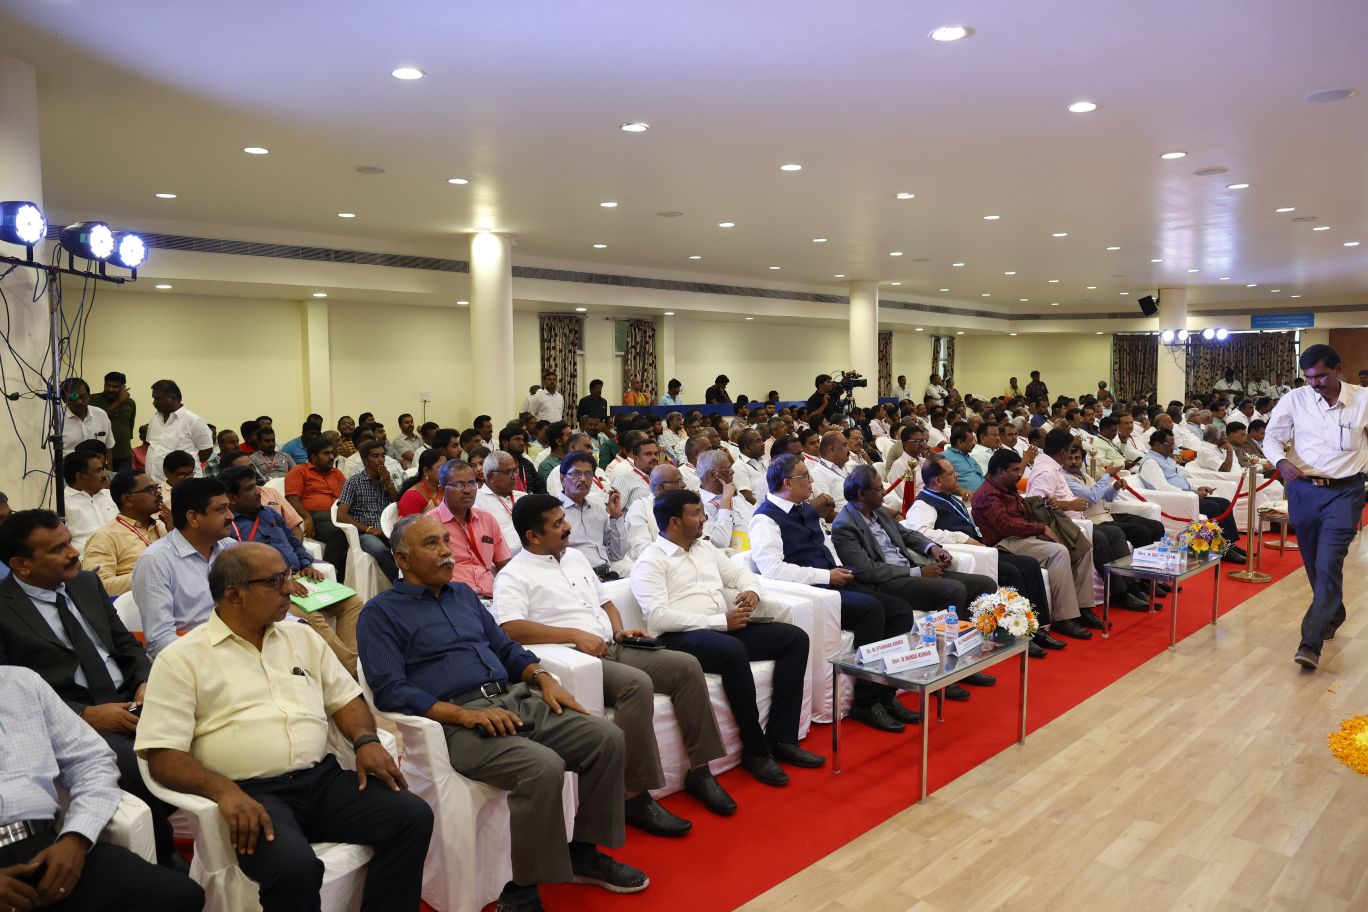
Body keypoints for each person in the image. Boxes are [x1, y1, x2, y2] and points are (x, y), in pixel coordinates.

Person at [359, 514, 648, 912]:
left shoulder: (463, 596)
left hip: (515, 698)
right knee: (542, 767)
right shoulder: (380, 613)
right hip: (458, 721)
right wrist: (462, 716)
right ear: (402, 559)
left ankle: (582, 852)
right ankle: (521, 893)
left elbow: (506, 650)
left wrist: (543, 677)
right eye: (431, 544)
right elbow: (390, 689)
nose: (446, 551)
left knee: (607, 739)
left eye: (446, 541)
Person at [137, 544, 431, 912]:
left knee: (412, 816)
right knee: (294, 868)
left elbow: (346, 698)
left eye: (288, 576)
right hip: (251, 794)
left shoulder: (301, 637)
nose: (291, 589)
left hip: (321, 781)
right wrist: (223, 791)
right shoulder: (181, 659)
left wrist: (366, 740)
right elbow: (163, 756)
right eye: (276, 581)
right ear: (234, 595)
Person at [497, 495, 733, 832]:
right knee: (636, 684)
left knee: (686, 666)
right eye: (558, 524)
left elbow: (606, 602)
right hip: (574, 658)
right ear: (533, 536)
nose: (567, 527)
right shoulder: (513, 575)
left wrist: (619, 630)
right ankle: (633, 796)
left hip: (611, 645)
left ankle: (701, 771)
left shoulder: (575, 557)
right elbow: (510, 628)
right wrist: (574, 635)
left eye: (564, 519)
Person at [0, 510, 183, 870]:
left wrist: (144, 681)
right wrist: (85, 715)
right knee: (140, 766)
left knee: (212, 729)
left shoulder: (85, 584)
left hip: (132, 699)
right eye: (58, 549)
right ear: (22, 564)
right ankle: (164, 861)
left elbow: (125, 645)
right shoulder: (4, 610)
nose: (74, 553)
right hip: (72, 720)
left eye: (69, 542)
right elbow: (9, 695)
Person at [632, 489, 823, 784]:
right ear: (674, 522)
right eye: (696, 514)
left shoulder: (705, 548)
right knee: (732, 650)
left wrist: (752, 591)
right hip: (679, 637)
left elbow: (740, 575)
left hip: (722, 628)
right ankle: (756, 751)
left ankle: (782, 738)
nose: (704, 519)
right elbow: (658, 617)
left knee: (794, 639)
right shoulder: (651, 561)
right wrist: (719, 622)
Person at [0, 666, 204, 911]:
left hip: (44, 845)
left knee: (179, 896)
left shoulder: (22, 683)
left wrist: (76, 837)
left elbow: (92, 760)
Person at [750, 454, 924, 731]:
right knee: (871, 610)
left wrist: (840, 567)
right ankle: (866, 701)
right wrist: (826, 576)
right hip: (811, 592)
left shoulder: (806, 510)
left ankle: (886, 691)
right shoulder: (764, 518)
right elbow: (772, 569)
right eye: (804, 476)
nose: (811, 480)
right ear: (787, 483)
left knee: (899, 610)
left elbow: (825, 545)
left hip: (834, 580)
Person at [1262, 345, 1368, 670]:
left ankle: (1310, 642)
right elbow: (1271, 438)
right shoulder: (1295, 399)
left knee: (1328, 561)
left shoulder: (1363, 400)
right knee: (1313, 562)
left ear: (1338, 369)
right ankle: (1333, 612)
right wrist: (1281, 462)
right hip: (1304, 491)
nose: (1315, 383)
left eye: (1320, 376)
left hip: (1345, 491)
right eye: (1309, 377)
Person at [904, 457, 1060, 655]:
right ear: (938, 481)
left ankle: (1038, 627)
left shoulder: (950, 497)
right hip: (969, 553)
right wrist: (960, 537)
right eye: (951, 473)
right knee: (1011, 571)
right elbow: (920, 533)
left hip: (983, 548)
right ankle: (1019, 634)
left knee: (1028, 564)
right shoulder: (923, 504)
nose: (956, 475)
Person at [219, 466, 366, 675]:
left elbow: (295, 543)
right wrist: (280, 582)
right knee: (312, 617)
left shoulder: (269, 513)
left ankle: (345, 668)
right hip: (269, 588)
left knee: (353, 602)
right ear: (232, 498)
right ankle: (353, 671)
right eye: (250, 489)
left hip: (299, 577)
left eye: (257, 487)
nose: (259, 492)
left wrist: (306, 564)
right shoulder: (228, 528)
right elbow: (240, 572)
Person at [971, 449, 1099, 639]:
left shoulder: (1006, 487)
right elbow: (1005, 525)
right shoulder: (987, 494)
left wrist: (1043, 505)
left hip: (1025, 536)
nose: (1019, 474)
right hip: (1006, 542)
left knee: (1081, 546)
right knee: (1058, 552)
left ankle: (1083, 607)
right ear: (1000, 471)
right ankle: (1064, 618)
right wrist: (1041, 528)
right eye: (1015, 470)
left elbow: (1021, 513)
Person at [1028, 431, 1150, 610]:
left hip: (1076, 520)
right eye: (1070, 450)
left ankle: (1132, 587)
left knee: (1114, 533)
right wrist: (1069, 504)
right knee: (1101, 538)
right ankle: (1119, 594)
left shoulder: (1053, 467)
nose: (1072, 457)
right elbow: (1035, 506)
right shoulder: (1045, 471)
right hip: (1062, 526)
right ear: (1063, 451)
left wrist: (1070, 505)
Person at [1136, 428, 1246, 563]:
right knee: (1213, 507)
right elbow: (1162, 488)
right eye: (1169, 444)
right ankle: (1222, 549)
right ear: (1157, 444)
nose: (1173, 448)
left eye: (1173, 444)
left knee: (1224, 503)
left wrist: (1196, 488)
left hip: (1187, 495)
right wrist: (1191, 494)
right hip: (1176, 500)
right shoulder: (1150, 462)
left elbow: (1181, 479)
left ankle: (1230, 543)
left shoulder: (1166, 459)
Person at [428, 459, 510, 598]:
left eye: (472, 483)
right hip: (452, 598)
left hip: (491, 595)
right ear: (442, 490)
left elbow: (504, 565)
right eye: (459, 484)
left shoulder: (487, 520)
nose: (467, 490)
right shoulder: (429, 525)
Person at [82, 472, 167, 595]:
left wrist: (175, 533)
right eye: (150, 490)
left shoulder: (163, 526)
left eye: (157, 487)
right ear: (127, 500)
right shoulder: (105, 536)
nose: (158, 493)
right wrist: (151, 576)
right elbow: (99, 585)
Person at [284, 436, 351, 577]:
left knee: (355, 531)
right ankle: (329, 573)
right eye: (326, 453)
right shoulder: (299, 471)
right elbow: (292, 498)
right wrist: (306, 517)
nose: (331, 457)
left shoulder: (336, 473)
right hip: (316, 516)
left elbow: (349, 494)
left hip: (339, 514)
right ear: (314, 457)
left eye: (332, 453)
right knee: (339, 532)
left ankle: (344, 575)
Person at [336, 440, 399, 582]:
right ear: (365, 461)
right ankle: (402, 586)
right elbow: (341, 516)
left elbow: (399, 505)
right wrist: (369, 529)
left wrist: (388, 483)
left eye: (382, 455)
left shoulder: (386, 480)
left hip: (386, 530)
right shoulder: (353, 482)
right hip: (365, 532)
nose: (381, 460)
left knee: (410, 546)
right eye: (375, 456)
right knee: (380, 550)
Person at [558, 452, 627, 579]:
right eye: (576, 473)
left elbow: (617, 554)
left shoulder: (598, 510)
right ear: (562, 479)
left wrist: (616, 516)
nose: (583, 479)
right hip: (575, 579)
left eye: (588, 474)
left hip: (606, 575)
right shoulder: (553, 514)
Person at [145, 380, 213, 484]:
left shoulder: (194, 421)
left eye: (157, 399)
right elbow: (152, 445)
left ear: (172, 398)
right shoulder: (154, 419)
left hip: (184, 484)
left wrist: (186, 465)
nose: (154, 403)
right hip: (154, 482)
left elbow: (206, 450)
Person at [63, 447, 119, 556]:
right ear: (80, 477)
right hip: (87, 559)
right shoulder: (62, 503)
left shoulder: (111, 495)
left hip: (123, 554)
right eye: (99, 470)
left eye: (103, 469)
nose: (105, 474)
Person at [623, 465, 686, 561]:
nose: (684, 485)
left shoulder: (685, 506)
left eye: (682, 480)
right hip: (657, 564)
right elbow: (640, 550)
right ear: (662, 487)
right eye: (678, 481)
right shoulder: (641, 507)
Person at [478, 449, 529, 555]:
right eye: (509, 472)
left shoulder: (523, 498)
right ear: (491, 476)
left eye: (515, 471)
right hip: (502, 559)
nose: (514, 476)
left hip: (532, 555)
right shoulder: (477, 502)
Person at [90, 371, 137, 473]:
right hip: (99, 456)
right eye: (107, 385)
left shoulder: (130, 403)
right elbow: (100, 419)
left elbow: (130, 428)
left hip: (124, 455)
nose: (110, 389)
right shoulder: (92, 400)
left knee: (123, 483)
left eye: (115, 387)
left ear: (123, 387)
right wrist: (119, 401)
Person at [59, 378, 114, 459]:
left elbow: (108, 447)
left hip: (98, 466)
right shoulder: (57, 419)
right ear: (64, 399)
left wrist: (108, 467)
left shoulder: (101, 415)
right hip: (69, 466)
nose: (79, 402)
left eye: (83, 397)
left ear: (88, 395)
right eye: (73, 398)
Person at [611, 433, 661, 512]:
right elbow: (613, 512)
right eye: (648, 454)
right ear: (636, 459)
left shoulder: (660, 478)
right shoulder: (624, 479)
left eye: (656, 454)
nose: (654, 457)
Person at [944, 423, 986, 493]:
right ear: (960, 442)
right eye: (971, 440)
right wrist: (962, 491)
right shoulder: (944, 457)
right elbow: (942, 484)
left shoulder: (971, 459)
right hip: (967, 497)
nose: (974, 443)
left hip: (985, 494)